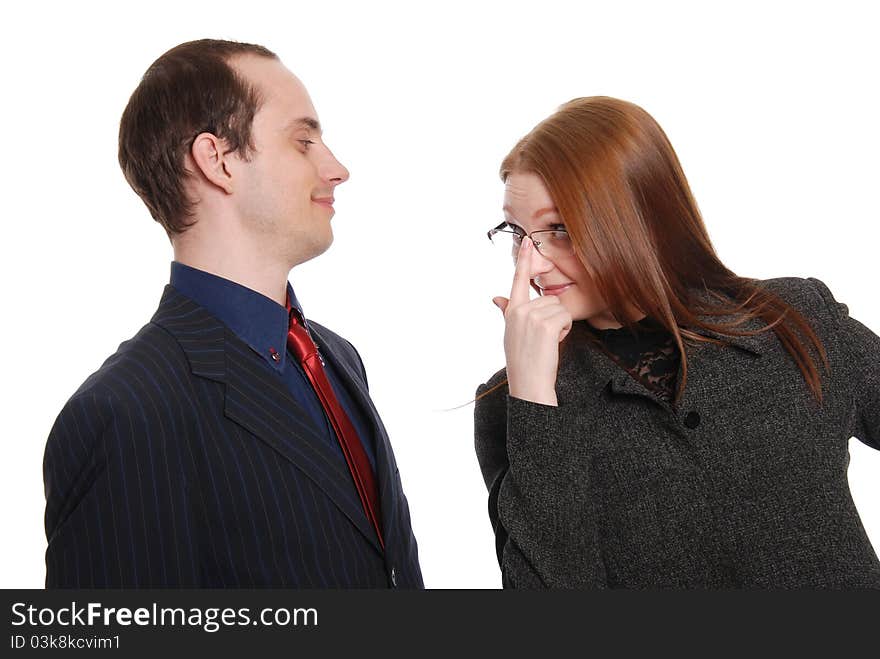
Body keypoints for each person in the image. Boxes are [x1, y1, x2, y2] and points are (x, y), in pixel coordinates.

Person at [42, 39, 422, 588]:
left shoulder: (335, 360)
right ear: (216, 161)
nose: (337, 168)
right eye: (303, 141)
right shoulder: (126, 412)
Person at [474, 96, 880, 589]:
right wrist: (535, 395)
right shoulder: (514, 405)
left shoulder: (793, 319)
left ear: (640, 217)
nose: (529, 265)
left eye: (558, 228)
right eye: (518, 233)